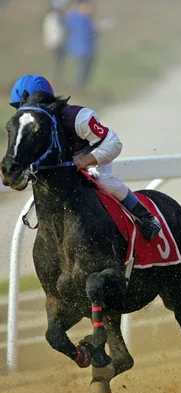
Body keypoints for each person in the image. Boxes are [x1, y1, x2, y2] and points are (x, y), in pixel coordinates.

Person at [9, 74, 162, 241]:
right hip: (63, 164)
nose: (23, 113)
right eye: (19, 107)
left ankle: (145, 217)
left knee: (103, 179)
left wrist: (84, 160)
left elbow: (114, 144)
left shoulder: (78, 118)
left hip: (92, 157)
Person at [63, 0, 97, 95]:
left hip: (86, 49)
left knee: (86, 70)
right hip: (81, 49)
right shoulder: (77, 18)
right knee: (81, 70)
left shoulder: (84, 18)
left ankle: (81, 89)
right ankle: (78, 89)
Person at [43, 0, 69, 83]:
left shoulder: (55, 17)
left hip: (56, 44)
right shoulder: (54, 18)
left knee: (58, 64)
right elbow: (56, 33)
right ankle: (54, 80)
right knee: (56, 64)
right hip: (56, 44)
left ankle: (56, 80)